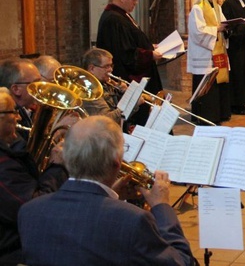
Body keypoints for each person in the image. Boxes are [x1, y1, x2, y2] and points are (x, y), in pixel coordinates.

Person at [18, 116, 195, 265]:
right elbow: (182, 261)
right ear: (117, 163)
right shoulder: (133, 220)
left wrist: (112, 196)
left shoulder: (29, 211)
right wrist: (162, 207)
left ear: (64, 157)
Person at [0, 89, 68, 264]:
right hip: (17, 253)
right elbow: (37, 210)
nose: (19, 117)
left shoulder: (9, 153)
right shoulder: (3, 168)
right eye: (13, 112)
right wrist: (57, 166)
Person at [96, 0, 162, 126]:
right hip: (129, 79)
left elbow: (131, 42)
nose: (136, 3)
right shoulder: (114, 19)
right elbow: (125, 54)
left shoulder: (121, 16)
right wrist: (150, 55)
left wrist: (149, 47)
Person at [187, 0, 232, 123]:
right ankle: (205, 116)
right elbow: (197, 32)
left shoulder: (217, 7)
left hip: (217, 51)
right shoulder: (198, 8)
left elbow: (223, 23)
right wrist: (217, 29)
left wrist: (228, 28)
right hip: (204, 53)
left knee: (218, 84)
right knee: (206, 85)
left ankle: (219, 114)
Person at [81, 47, 143, 127]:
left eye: (111, 66)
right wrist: (132, 104)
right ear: (92, 68)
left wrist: (126, 94)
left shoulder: (106, 83)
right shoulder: (89, 90)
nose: (110, 69)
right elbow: (107, 120)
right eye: (106, 66)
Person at [0, 58, 42, 139]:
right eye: (36, 83)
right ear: (16, 89)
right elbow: (21, 149)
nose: (41, 88)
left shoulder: (24, 109)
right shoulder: (8, 118)